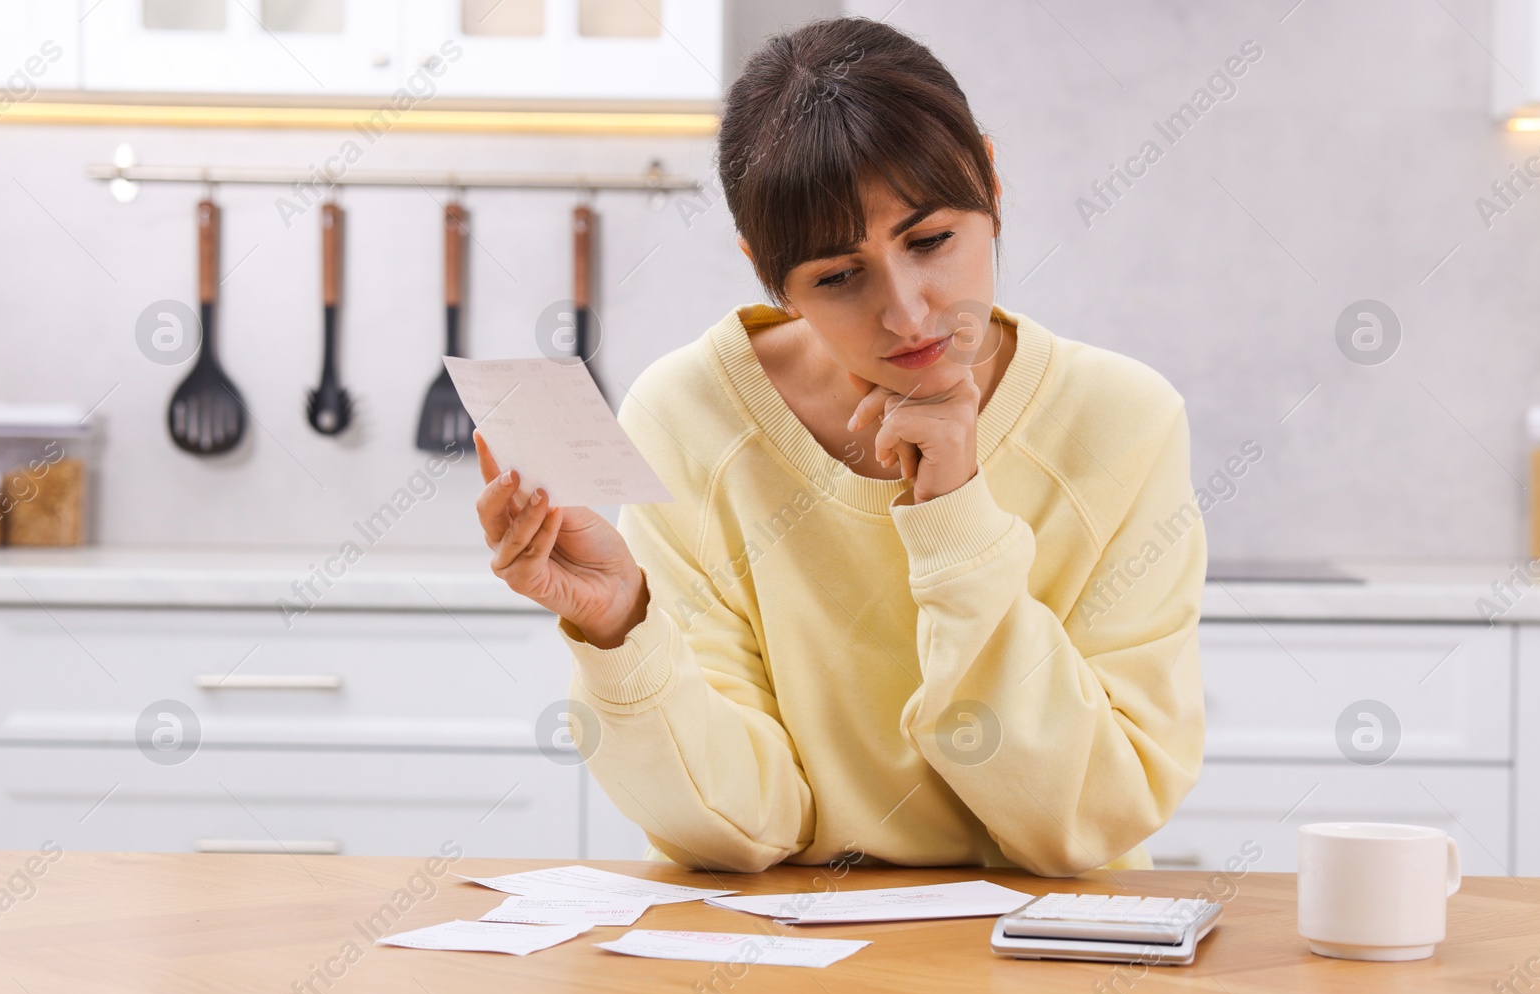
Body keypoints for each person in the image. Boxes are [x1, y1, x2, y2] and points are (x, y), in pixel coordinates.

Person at [472, 15, 1206, 876]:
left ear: (992, 185)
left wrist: (957, 519)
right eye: (838, 276)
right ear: (768, 277)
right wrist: (623, 628)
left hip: (1053, 966)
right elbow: (741, 829)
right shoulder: (688, 417)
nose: (909, 313)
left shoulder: (1123, 420)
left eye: (931, 240)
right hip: (793, 965)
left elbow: (1090, 821)